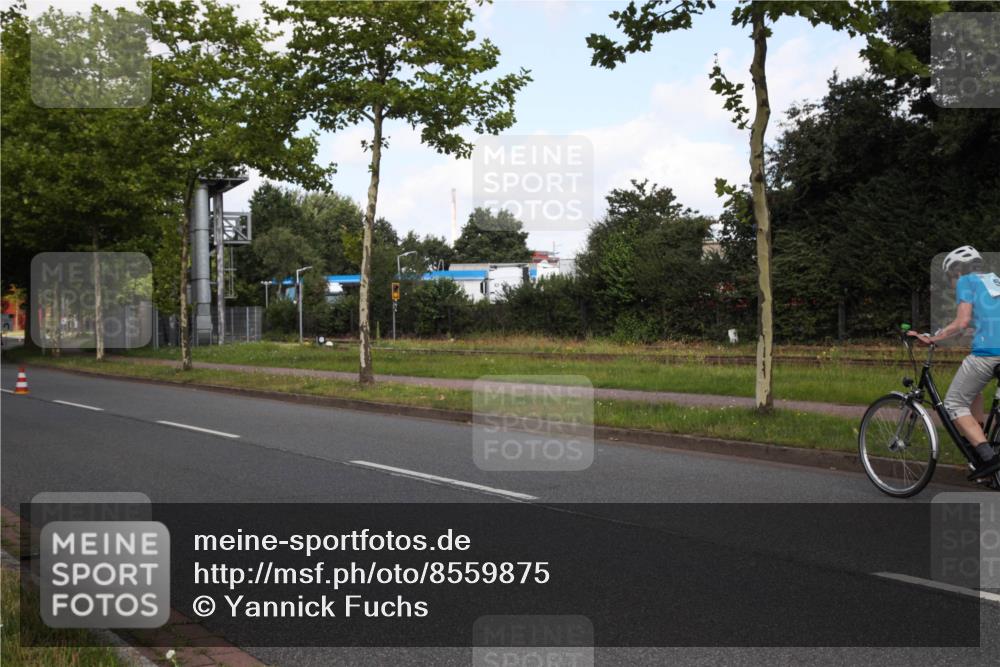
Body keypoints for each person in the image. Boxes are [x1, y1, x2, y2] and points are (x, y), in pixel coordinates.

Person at [910, 245, 1000, 478]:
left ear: (955, 271)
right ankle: (977, 440)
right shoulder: (993, 280)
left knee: (954, 404)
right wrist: (945, 334)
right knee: (974, 390)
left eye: (949, 277)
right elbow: (982, 321)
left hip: (990, 353)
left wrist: (932, 339)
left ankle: (988, 459)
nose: (950, 283)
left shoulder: (965, 281)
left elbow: (961, 322)